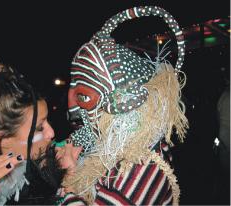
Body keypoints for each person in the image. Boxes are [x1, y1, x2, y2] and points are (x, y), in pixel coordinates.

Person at [60, 5, 188, 205]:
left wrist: (70, 175)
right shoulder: (114, 153)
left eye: (84, 98)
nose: (73, 111)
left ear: (123, 103)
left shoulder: (139, 169)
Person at [0, 61, 78, 205]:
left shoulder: (40, 166)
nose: (51, 133)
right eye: (39, 128)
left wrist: (67, 177)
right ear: (4, 140)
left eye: (48, 122)